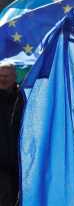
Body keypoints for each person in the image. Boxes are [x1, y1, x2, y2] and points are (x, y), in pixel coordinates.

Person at [0, 62, 24, 206]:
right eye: (0, 76)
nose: (3, 79)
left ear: (15, 75)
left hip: (20, 165)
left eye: (7, 75)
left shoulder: (24, 99)